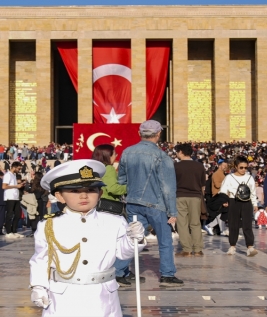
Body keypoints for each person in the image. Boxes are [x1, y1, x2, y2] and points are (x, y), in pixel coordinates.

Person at [29, 159, 146, 316]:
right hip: (63, 298)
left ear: (100, 193)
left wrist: (134, 239)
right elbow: (41, 259)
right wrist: (38, 286)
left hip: (102, 297)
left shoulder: (114, 221)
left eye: (91, 190)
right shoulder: (49, 225)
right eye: (74, 191)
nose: (83, 195)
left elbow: (123, 253)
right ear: (60, 196)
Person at [117, 120, 184, 287]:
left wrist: (132, 192)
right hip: (157, 205)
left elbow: (122, 180)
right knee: (165, 240)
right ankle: (167, 275)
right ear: (158, 134)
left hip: (133, 202)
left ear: (140, 134)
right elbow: (168, 188)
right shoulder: (162, 157)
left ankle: (119, 271)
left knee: (133, 238)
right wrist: (173, 212)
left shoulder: (127, 152)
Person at [91, 144, 140, 286]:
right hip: (111, 207)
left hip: (100, 207)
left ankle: (123, 271)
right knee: (123, 241)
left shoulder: (96, 168)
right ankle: (119, 271)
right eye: (114, 154)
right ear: (107, 155)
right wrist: (130, 187)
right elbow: (113, 188)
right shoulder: (109, 169)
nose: (115, 157)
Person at [219, 155, 258, 256]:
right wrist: (224, 200)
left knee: (247, 225)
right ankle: (232, 246)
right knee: (233, 225)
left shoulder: (249, 178)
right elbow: (223, 190)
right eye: (241, 167)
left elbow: (253, 192)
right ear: (236, 166)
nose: (243, 170)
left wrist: (255, 204)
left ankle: (250, 247)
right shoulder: (229, 177)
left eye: (245, 167)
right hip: (233, 201)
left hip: (247, 202)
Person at [173, 143, 206, 257]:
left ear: (181, 152)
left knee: (182, 223)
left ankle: (186, 249)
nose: (176, 154)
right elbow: (202, 185)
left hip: (180, 196)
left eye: (177, 152)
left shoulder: (176, 166)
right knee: (195, 223)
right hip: (196, 197)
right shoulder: (199, 166)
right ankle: (197, 249)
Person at [3, 161, 25, 238]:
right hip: (10, 197)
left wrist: (19, 184)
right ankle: (8, 232)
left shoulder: (13, 175)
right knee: (9, 215)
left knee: (17, 214)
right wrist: (16, 186)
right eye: (18, 168)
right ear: (14, 167)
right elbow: (4, 186)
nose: (19, 170)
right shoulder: (8, 175)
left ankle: (14, 230)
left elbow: (13, 184)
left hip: (15, 197)